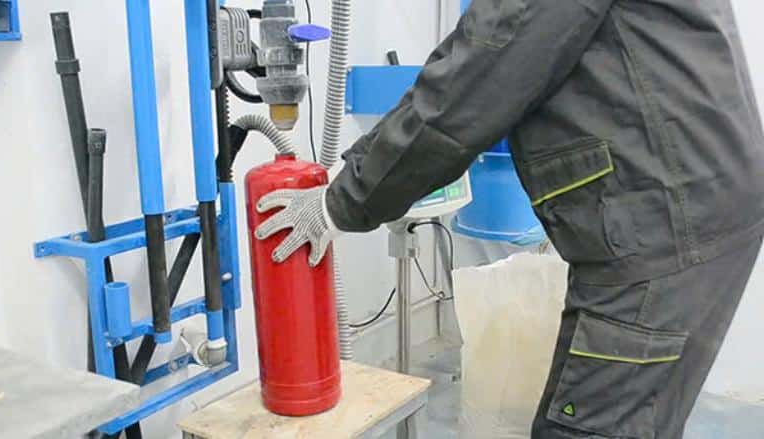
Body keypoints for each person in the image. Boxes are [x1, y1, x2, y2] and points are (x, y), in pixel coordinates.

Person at [254, 1, 764, 437]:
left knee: (590, 424)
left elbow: (480, 71)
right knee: (640, 414)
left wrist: (341, 201)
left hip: (661, 222)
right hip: (698, 199)